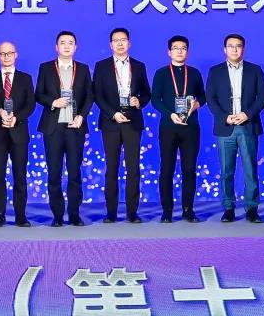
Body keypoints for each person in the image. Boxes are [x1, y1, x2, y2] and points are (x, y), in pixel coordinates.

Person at [206, 34, 264, 223]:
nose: (234, 49)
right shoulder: (215, 71)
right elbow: (210, 98)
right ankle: (228, 208)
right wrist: (224, 117)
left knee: (250, 169)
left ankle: (252, 208)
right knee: (226, 171)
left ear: (243, 49)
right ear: (224, 49)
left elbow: (263, 96)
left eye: (238, 46)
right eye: (231, 46)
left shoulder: (254, 70)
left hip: (247, 125)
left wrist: (247, 114)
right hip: (226, 126)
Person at [35, 31, 94, 227]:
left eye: (70, 43)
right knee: (54, 173)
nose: (67, 46)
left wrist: (81, 116)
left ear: (76, 47)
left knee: (75, 173)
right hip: (53, 127)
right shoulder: (46, 68)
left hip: (75, 126)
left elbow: (89, 96)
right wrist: (53, 102)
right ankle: (58, 216)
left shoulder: (83, 69)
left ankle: (75, 214)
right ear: (56, 47)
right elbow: (38, 94)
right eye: (63, 43)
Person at [93, 28, 151, 223]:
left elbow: (147, 93)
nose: (120, 43)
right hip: (111, 122)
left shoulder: (139, 66)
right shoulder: (101, 66)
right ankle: (111, 213)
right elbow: (97, 95)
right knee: (112, 168)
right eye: (116, 40)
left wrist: (139, 101)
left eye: (123, 40)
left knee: (133, 168)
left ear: (129, 43)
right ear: (111, 45)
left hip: (133, 122)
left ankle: (132, 213)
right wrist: (113, 114)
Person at [0, 41, 36, 227]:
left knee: (20, 176)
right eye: (2, 54)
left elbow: (30, 104)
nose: (6, 57)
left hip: (19, 133)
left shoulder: (25, 78)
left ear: (16, 55)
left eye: (9, 53)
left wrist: (16, 118)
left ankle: (21, 216)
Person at [150, 35, 206, 223]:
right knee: (167, 168)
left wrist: (197, 104)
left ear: (187, 52)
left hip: (190, 127)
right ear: (169, 52)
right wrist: (170, 114)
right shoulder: (161, 73)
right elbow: (155, 99)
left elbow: (203, 97)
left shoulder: (195, 73)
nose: (180, 51)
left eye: (183, 48)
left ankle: (188, 209)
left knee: (189, 169)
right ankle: (167, 211)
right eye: (176, 48)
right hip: (168, 127)